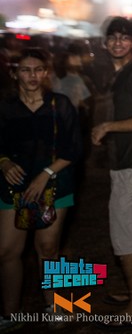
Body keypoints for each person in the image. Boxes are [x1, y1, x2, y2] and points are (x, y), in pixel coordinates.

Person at [0, 48, 81, 328]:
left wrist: (45, 174)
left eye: (38, 69)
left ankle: (56, 307)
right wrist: (4, 163)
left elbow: (74, 148)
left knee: (47, 248)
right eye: (25, 70)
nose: (32, 75)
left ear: (45, 73)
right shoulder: (5, 107)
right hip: (14, 185)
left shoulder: (60, 104)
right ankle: (11, 314)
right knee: (7, 251)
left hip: (54, 183)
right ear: (15, 74)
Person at [90, 17, 132, 328]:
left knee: (126, 237)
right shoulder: (123, 73)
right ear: (105, 43)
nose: (118, 42)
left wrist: (108, 126)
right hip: (129, 162)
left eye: (124, 37)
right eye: (112, 37)